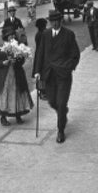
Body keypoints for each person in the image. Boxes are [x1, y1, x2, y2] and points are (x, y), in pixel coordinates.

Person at [34, 9, 80, 143]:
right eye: (52, 21)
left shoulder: (68, 35)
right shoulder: (45, 35)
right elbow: (40, 54)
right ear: (50, 22)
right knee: (52, 101)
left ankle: (60, 130)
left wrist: (68, 67)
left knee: (61, 102)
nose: (54, 24)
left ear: (60, 21)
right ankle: (63, 112)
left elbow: (75, 55)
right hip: (48, 75)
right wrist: (37, 71)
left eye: (56, 21)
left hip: (63, 76)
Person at [0, 26, 33, 126]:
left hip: (17, 74)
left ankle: (18, 115)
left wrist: (18, 60)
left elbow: (22, 60)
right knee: (5, 95)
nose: (11, 37)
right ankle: (3, 117)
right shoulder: (0, 48)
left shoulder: (18, 47)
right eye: (9, 36)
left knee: (17, 93)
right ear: (5, 37)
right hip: (5, 76)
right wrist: (3, 63)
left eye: (12, 36)